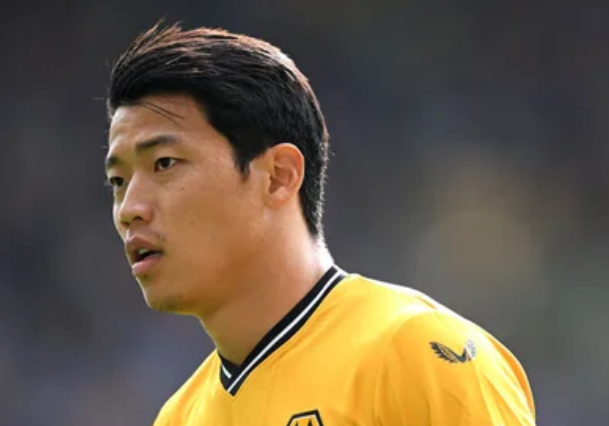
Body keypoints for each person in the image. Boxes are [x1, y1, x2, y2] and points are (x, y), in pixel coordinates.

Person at [104, 21, 536, 426]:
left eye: (164, 163)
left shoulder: (418, 351)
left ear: (279, 176)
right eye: (118, 181)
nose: (129, 209)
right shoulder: (178, 416)